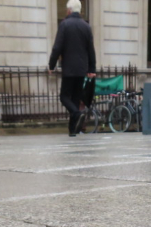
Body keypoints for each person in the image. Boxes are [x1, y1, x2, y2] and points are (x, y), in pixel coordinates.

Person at [49, 0, 96, 137]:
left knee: (64, 97)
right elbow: (91, 50)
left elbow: (57, 47)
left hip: (69, 68)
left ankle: (76, 114)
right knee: (75, 99)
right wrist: (92, 68)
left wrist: (51, 65)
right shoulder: (86, 26)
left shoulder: (64, 24)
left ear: (69, 10)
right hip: (81, 69)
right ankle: (73, 130)